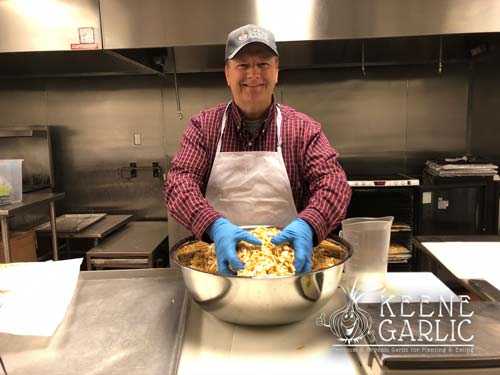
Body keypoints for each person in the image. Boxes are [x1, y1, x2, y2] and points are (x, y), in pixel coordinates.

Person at [164, 24, 351, 275]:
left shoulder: (304, 130)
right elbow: (179, 183)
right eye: (243, 65)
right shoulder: (204, 127)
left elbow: (334, 184)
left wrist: (309, 224)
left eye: (263, 64)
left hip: (288, 268)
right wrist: (214, 225)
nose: (254, 74)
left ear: (276, 72)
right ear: (228, 74)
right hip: (218, 270)